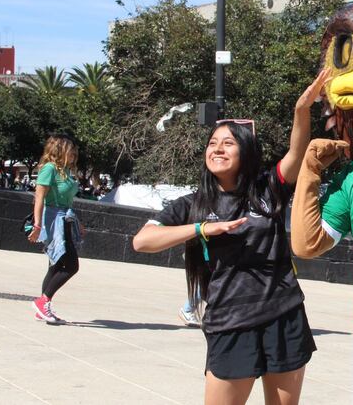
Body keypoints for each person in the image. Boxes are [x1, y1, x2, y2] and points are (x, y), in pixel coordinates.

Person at [133, 71, 327, 405]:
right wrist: (200, 229)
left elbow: (297, 153)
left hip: (284, 315)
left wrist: (301, 110)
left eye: (228, 143)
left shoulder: (269, 188)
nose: (217, 149)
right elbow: (143, 241)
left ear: (246, 151)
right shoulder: (192, 205)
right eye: (212, 143)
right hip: (229, 323)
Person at [28, 134, 83, 324]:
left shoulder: (65, 171)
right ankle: (43, 301)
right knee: (71, 265)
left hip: (65, 218)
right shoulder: (49, 169)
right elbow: (39, 198)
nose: (74, 154)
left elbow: (68, 200)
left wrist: (78, 223)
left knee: (57, 264)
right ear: (60, 150)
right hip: (54, 219)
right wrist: (37, 225)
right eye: (71, 150)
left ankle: (43, 307)